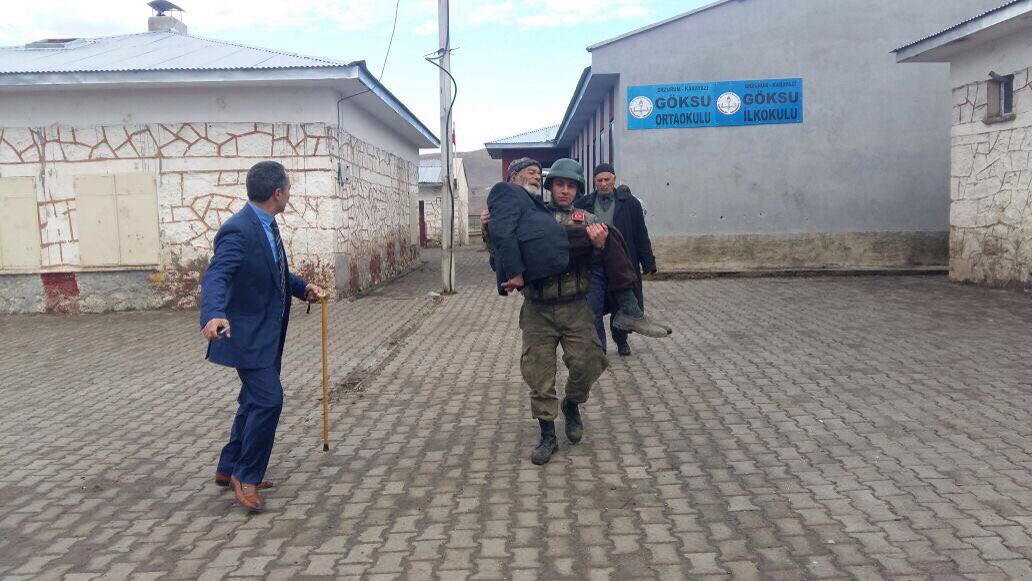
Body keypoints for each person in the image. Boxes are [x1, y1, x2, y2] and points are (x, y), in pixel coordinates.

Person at [199, 160, 324, 513]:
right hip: (247, 336)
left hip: (268, 334)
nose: (290, 194)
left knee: (253, 400)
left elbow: (274, 272)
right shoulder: (238, 229)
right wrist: (212, 313)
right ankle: (246, 475)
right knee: (269, 400)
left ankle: (228, 467)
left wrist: (302, 287)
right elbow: (217, 275)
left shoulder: (266, 224)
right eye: (289, 189)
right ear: (278, 193)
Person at [575, 164, 658, 356]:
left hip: (622, 264)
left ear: (614, 179)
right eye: (599, 180)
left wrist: (648, 263)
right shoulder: (583, 204)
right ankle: (599, 347)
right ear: (594, 182)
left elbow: (640, 234)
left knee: (621, 306)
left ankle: (621, 340)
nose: (603, 183)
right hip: (594, 264)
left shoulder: (630, 203)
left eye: (607, 179)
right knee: (593, 307)